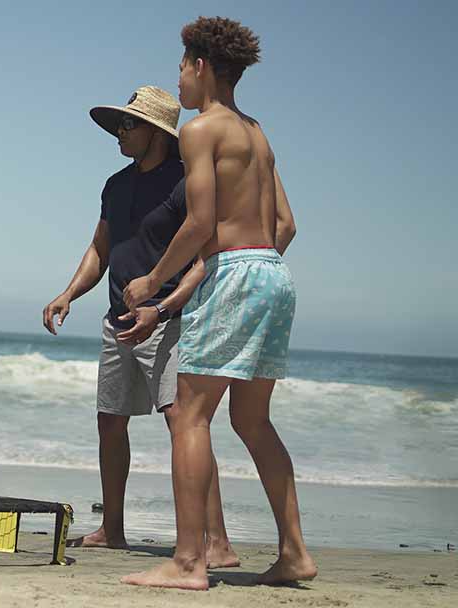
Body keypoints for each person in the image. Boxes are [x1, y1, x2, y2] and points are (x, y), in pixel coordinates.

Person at [121, 16, 313, 589]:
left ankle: (187, 562)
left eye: (180, 67)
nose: (178, 80)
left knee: (191, 416)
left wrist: (153, 280)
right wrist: (253, 262)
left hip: (235, 273)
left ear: (200, 65)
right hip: (274, 274)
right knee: (253, 420)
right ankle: (295, 553)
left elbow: (201, 222)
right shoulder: (257, 132)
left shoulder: (203, 130)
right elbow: (287, 224)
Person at [42, 87, 238, 568]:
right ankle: (112, 528)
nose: (119, 134)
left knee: (183, 422)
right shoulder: (115, 184)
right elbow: (100, 250)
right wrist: (68, 293)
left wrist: (164, 307)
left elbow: (206, 257)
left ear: (156, 132)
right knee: (110, 421)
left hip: (170, 319)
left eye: (128, 126)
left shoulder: (186, 181)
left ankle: (217, 542)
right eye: (119, 126)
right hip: (119, 321)